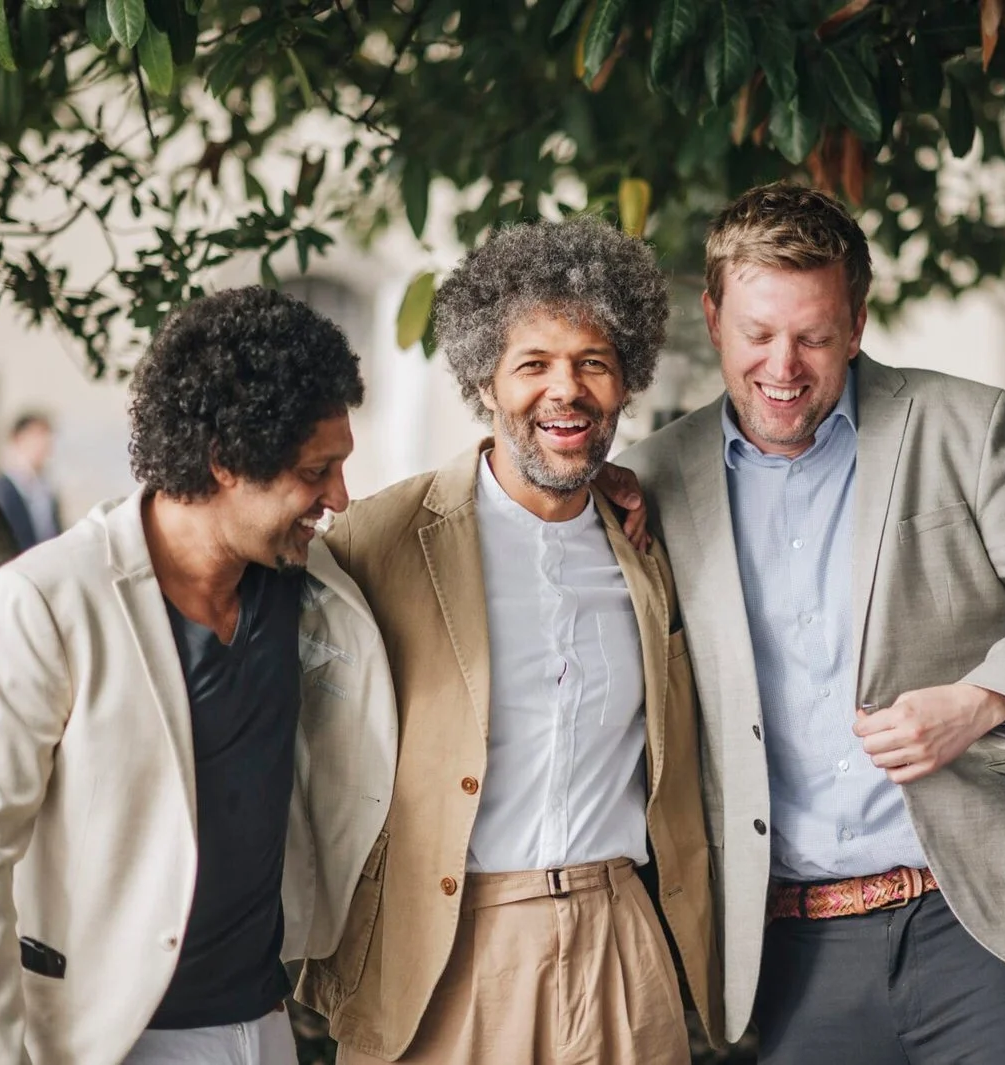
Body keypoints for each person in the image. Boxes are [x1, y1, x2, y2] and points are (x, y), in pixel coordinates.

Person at [620, 182, 1005, 1063]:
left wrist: (980, 700)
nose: (784, 365)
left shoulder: (961, 424)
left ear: (857, 323)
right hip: (790, 953)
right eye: (758, 334)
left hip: (981, 920)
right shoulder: (651, 480)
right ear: (711, 317)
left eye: (814, 336)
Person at [0, 286, 398, 1065]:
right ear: (224, 462)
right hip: (115, 1039)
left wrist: (616, 489)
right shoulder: (44, 603)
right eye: (319, 471)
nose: (339, 498)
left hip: (269, 1025)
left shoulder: (305, 582)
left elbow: (446, 509)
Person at [298, 216, 720, 1064]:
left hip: (620, 946)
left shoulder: (657, 540)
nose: (564, 389)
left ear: (625, 381)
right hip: (444, 949)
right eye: (533, 364)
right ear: (484, 380)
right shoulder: (375, 542)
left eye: (592, 363)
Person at [0, 412, 62, 551]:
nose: (44, 443)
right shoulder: (2, 489)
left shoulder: (46, 490)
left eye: (47, 436)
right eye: (37, 436)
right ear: (18, 439)